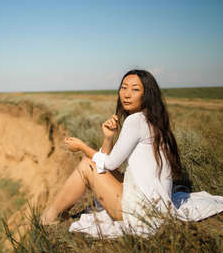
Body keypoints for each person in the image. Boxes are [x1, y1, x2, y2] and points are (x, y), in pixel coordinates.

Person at [41, 69, 182, 226]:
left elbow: (109, 164)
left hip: (140, 210)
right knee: (94, 163)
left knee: (87, 165)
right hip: (156, 203)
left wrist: (81, 146)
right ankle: (62, 212)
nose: (126, 94)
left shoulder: (135, 121)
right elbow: (106, 163)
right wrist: (108, 137)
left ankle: (49, 218)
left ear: (147, 94)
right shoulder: (152, 119)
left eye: (135, 89)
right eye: (123, 87)